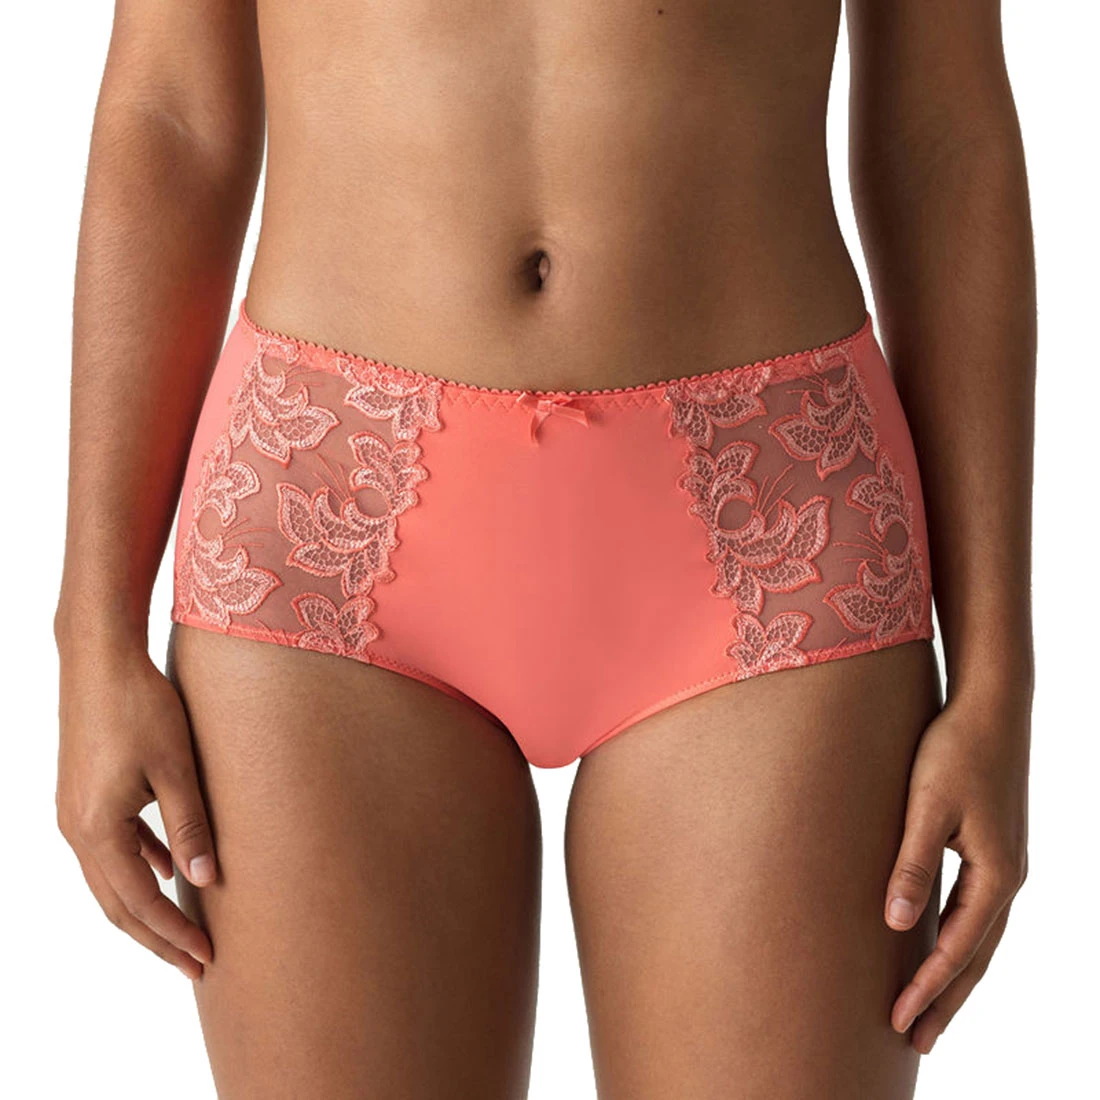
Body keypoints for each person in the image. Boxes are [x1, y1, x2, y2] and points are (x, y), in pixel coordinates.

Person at [54, 1, 1035, 1096]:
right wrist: (92, 628)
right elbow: (172, 112)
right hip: (322, 499)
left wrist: (997, 676)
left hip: (773, 513)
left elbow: (942, 132)